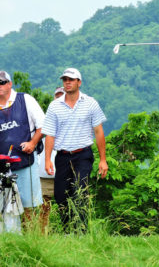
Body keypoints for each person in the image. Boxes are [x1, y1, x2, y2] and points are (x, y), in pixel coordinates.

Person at [42, 68, 108, 231]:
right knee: (60, 195)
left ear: (79, 82)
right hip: (62, 155)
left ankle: (82, 230)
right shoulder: (54, 106)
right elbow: (49, 134)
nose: (67, 82)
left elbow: (98, 131)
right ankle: (67, 229)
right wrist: (47, 159)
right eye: (65, 79)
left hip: (83, 154)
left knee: (80, 191)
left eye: (71, 79)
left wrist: (103, 160)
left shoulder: (90, 103)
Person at [0, 70, 44, 228]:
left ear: (10, 84)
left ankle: (32, 240)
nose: (0, 86)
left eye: (2, 82)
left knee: (29, 205)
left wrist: (32, 143)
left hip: (25, 162)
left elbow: (43, 126)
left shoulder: (25, 99)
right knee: (5, 208)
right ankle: (11, 242)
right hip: (2, 167)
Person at [38, 87, 65, 234]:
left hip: (65, 171)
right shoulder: (44, 118)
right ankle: (43, 235)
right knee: (44, 206)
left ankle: (69, 234)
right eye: (58, 97)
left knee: (66, 206)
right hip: (44, 172)